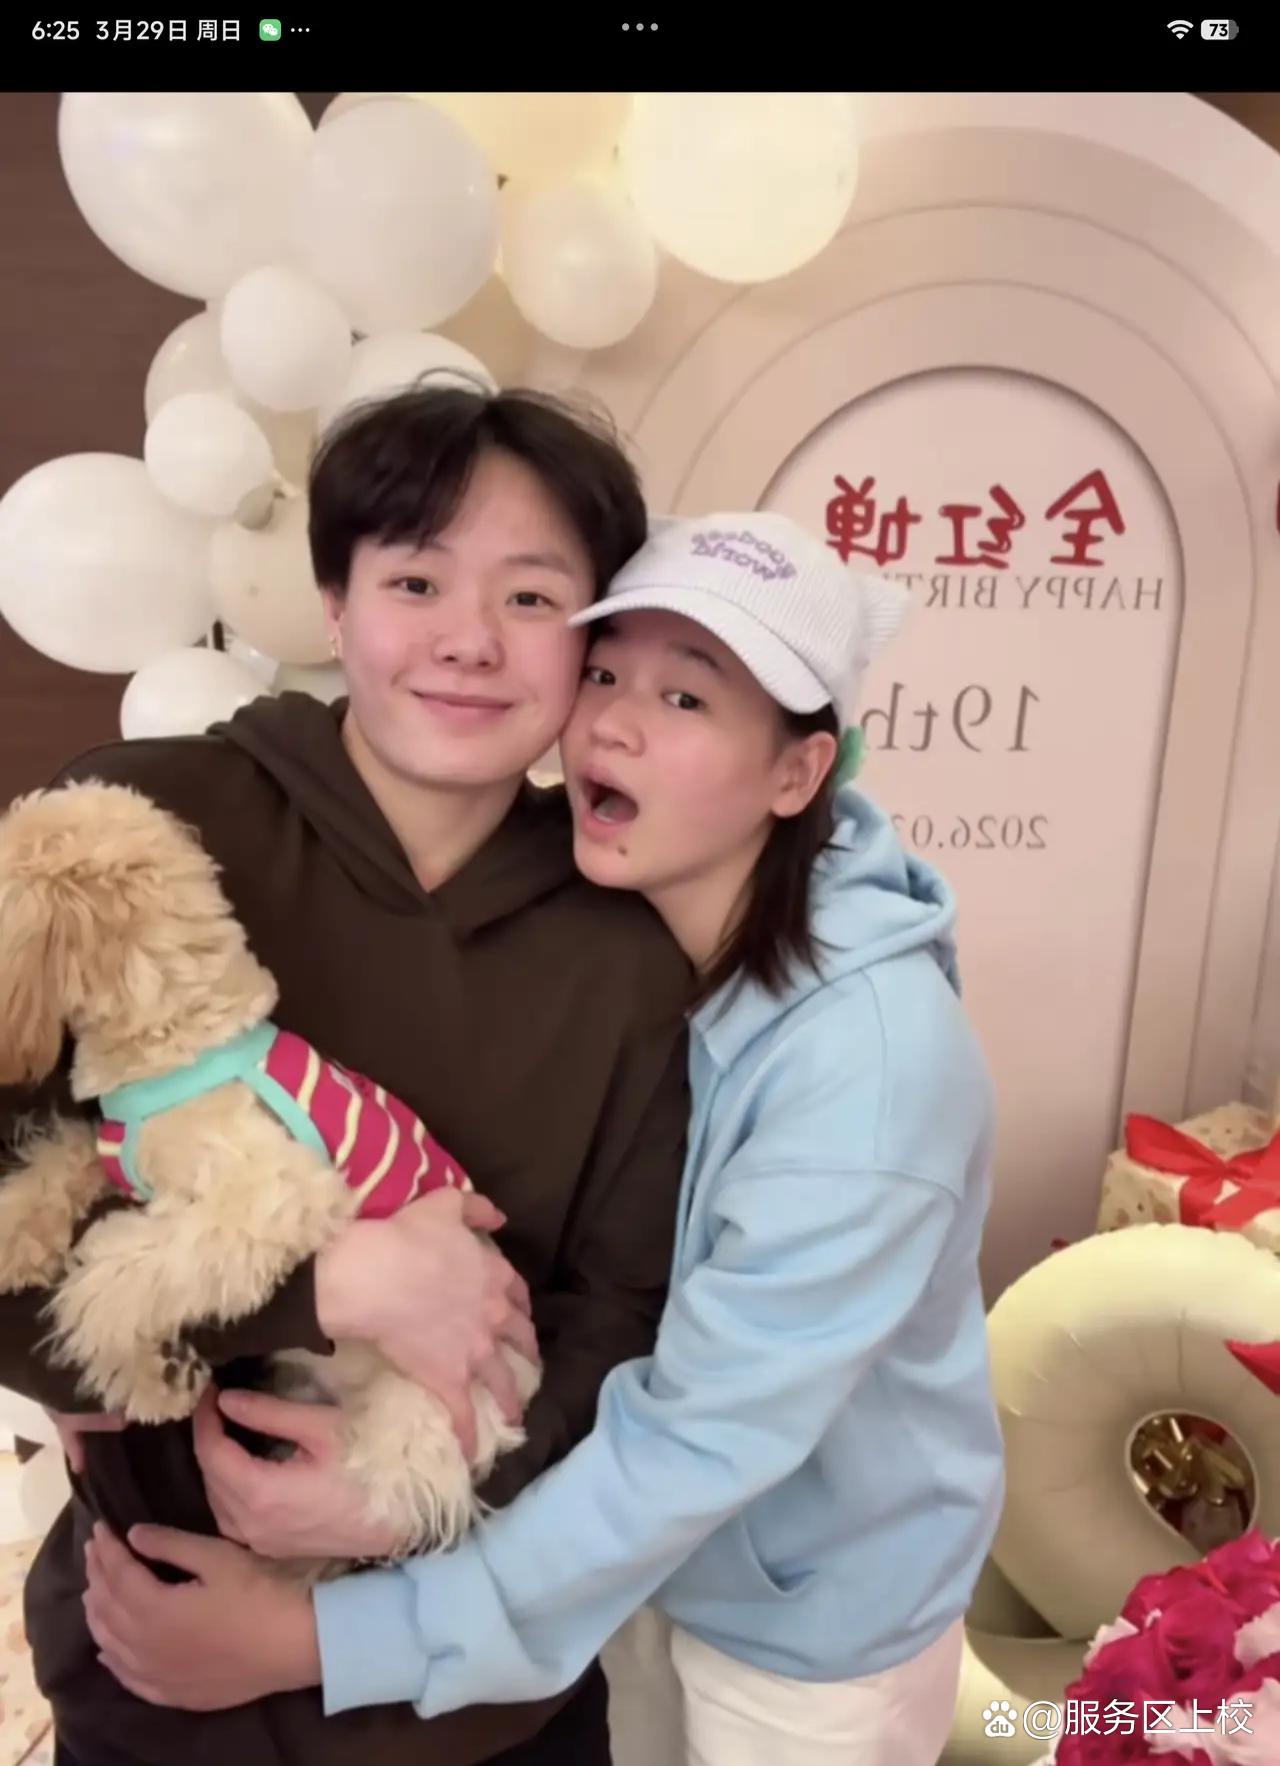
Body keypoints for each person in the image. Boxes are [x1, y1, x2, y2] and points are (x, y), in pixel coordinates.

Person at [79, 511, 1005, 1766]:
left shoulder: (866, 1074)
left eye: (686, 696)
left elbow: (691, 1440)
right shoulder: (688, 949)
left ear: (797, 774)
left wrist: (321, 1635)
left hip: (800, 1630)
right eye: (606, 671)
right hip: (626, 1572)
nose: (612, 723)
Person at [0, 383, 693, 1766]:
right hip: (158, 1674)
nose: (468, 640)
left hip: (482, 1705)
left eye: (531, 596)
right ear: (334, 602)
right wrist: (325, 1287)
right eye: (415, 580)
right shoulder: (138, 825)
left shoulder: (630, 942)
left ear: (592, 636)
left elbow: (629, 1317)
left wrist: (404, 1499)